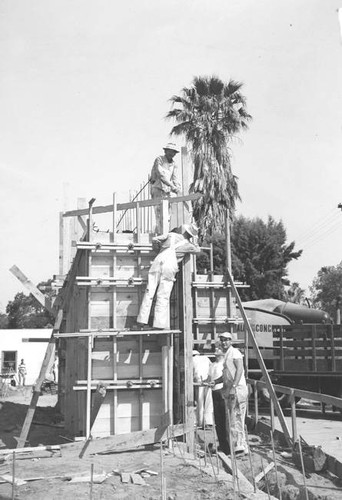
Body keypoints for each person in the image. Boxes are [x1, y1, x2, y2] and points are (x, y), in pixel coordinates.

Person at [137, 223, 200, 329]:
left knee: (149, 291)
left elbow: (155, 239)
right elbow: (198, 250)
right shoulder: (189, 245)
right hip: (170, 266)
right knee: (163, 295)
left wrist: (158, 250)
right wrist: (196, 242)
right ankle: (159, 324)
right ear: (191, 236)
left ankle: (141, 321)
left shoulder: (171, 235)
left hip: (158, 261)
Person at [220, 331, 249, 455]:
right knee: (233, 419)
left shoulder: (235, 353)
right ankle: (239, 446)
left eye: (226, 340)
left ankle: (240, 446)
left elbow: (240, 369)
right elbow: (226, 375)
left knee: (237, 418)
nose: (224, 342)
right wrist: (214, 381)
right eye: (222, 340)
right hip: (231, 390)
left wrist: (234, 386)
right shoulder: (227, 355)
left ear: (230, 341)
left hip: (237, 390)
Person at [150, 143, 181, 233]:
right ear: (166, 151)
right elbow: (161, 175)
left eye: (174, 152)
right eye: (171, 151)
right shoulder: (159, 160)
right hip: (158, 189)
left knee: (167, 215)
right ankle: (161, 233)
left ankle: (166, 233)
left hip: (166, 191)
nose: (172, 154)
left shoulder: (174, 164)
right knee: (159, 214)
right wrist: (172, 186)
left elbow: (175, 178)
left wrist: (178, 188)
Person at [208, 347, 230, 455]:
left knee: (225, 420)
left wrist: (216, 383)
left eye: (218, 349)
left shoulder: (224, 364)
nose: (216, 350)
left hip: (222, 392)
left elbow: (224, 377)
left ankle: (228, 447)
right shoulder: (212, 365)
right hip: (214, 392)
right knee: (218, 421)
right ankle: (222, 445)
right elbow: (209, 378)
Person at [192, 350, 213, 428]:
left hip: (199, 382)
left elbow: (191, 372)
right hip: (208, 381)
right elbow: (211, 366)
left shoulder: (192, 360)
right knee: (208, 402)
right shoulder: (206, 358)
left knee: (199, 402)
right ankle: (208, 422)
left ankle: (200, 422)